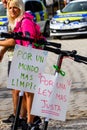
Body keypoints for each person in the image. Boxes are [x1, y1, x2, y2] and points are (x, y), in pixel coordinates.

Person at [0, 0, 43, 129]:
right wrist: (2, 51)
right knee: (18, 90)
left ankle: (31, 120)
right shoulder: (16, 21)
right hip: (17, 58)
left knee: (27, 92)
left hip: (26, 59)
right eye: (10, 7)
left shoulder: (25, 21)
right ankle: (21, 117)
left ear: (21, 8)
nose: (12, 10)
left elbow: (18, 40)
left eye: (15, 8)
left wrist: (0, 44)